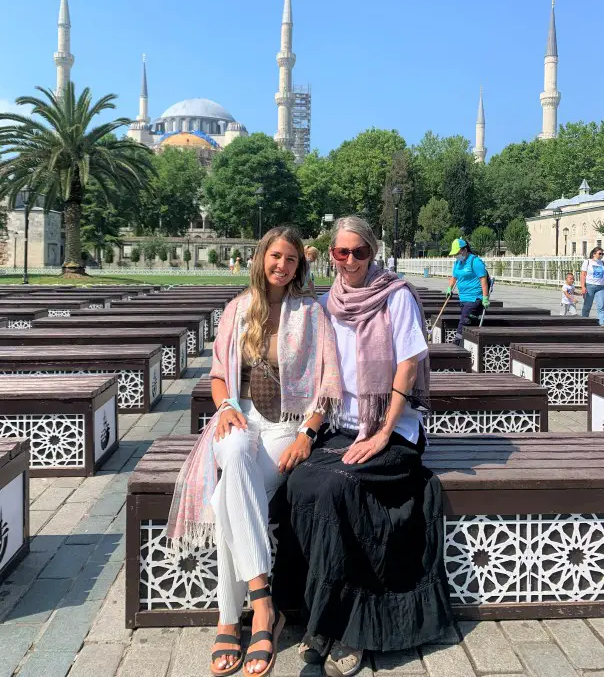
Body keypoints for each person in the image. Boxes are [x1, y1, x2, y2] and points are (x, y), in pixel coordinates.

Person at [273, 216, 452, 677]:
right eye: (340, 252)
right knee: (301, 484)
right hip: (341, 425)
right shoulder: (328, 302)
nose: (348, 261)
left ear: (373, 254)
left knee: (336, 489)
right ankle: (307, 609)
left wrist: (381, 433)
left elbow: (408, 365)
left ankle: (337, 630)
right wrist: (307, 430)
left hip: (392, 431)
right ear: (330, 254)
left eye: (358, 253)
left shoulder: (396, 297)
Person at [166, 227, 342, 677]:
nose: (281, 265)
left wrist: (308, 432)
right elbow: (219, 374)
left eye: (290, 260)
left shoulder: (311, 313)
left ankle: (229, 616)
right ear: (262, 258)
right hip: (241, 417)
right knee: (233, 453)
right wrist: (224, 406)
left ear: (299, 266)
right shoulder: (237, 310)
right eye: (274, 256)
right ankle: (265, 607)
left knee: (228, 500)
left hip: (287, 424)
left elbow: (329, 382)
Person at [446, 238, 490, 346]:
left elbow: (483, 280)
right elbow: (454, 277)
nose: (455, 256)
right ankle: (470, 344)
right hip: (463, 298)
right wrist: (449, 288)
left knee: (464, 321)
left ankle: (457, 343)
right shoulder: (458, 263)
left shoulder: (475, 261)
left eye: (457, 253)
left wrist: (485, 297)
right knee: (469, 321)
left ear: (464, 250)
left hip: (475, 298)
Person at [581, 246, 604, 324]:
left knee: (601, 306)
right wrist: (583, 287)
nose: (601, 255)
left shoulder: (602, 263)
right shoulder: (587, 262)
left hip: (601, 287)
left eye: (603, 254)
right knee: (587, 306)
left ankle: (602, 323)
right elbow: (583, 275)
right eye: (600, 253)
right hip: (590, 286)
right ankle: (584, 322)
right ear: (594, 254)